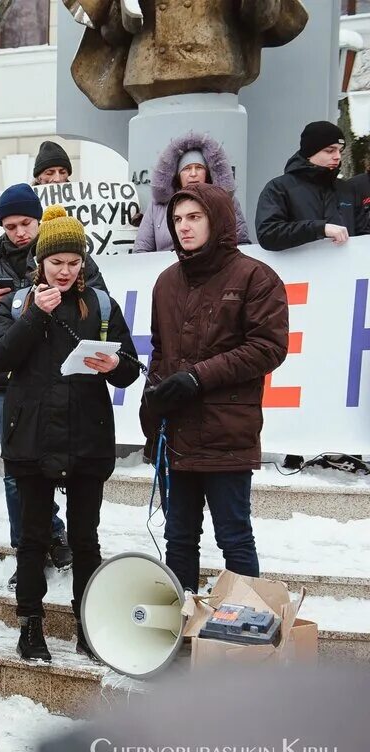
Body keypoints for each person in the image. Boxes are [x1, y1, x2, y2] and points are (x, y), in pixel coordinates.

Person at [0, 205, 141, 663]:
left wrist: (116, 366)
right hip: (32, 435)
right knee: (33, 538)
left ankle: (86, 625)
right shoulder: (17, 302)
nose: (66, 272)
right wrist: (34, 314)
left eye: (74, 263)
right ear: (40, 262)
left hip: (86, 435)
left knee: (85, 538)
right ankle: (30, 626)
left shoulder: (102, 303)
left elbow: (129, 368)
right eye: (57, 263)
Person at [142, 183, 288, 594]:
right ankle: (182, 623)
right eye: (176, 219)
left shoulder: (254, 276)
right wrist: (150, 415)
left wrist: (198, 376)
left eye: (194, 217)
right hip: (179, 434)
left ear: (217, 219)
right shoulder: (166, 281)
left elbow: (268, 348)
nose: (183, 227)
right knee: (179, 538)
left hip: (227, 431)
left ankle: (247, 630)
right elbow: (160, 353)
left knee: (234, 536)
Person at [0, 184, 100, 587]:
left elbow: (98, 305)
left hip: (65, 380)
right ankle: (28, 548)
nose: (20, 232)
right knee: (17, 470)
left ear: (40, 221)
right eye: (10, 226)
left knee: (66, 464)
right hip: (9, 380)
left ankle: (60, 538)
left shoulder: (72, 257)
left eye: (26, 223)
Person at [255, 120, 370, 251]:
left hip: (345, 269)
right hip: (296, 269)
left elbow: (363, 236)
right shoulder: (279, 188)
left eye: (340, 151)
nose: (337, 157)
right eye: (330, 151)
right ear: (310, 152)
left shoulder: (347, 189)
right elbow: (268, 234)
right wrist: (320, 229)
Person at [135, 133, 250, 252]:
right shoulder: (157, 206)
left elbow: (241, 244)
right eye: (187, 169)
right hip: (167, 268)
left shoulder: (227, 202)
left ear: (207, 173)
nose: (193, 174)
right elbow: (141, 250)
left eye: (199, 168)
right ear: (178, 175)